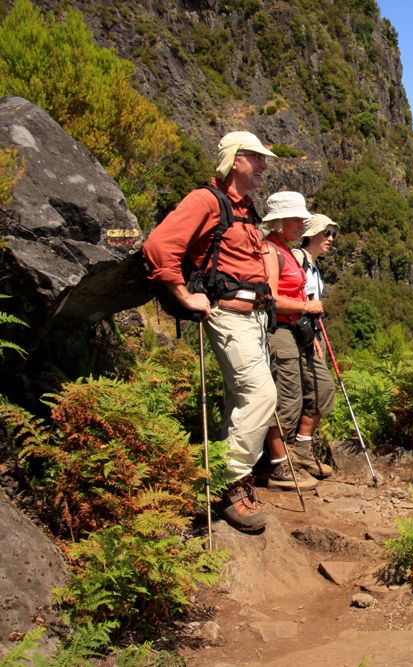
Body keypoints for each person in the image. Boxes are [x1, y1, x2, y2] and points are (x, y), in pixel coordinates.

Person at [143, 131, 277, 533]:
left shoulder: (245, 208)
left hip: (252, 319)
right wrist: (184, 295)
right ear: (234, 160)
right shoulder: (205, 200)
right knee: (261, 394)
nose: (264, 166)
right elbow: (159, 245)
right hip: (229, 317)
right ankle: (229, 483)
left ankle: (226, 472)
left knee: (241, 398)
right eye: (256, 158)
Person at [259, 193, 333, 490]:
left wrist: (311, 326)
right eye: (296, 218)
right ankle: (278, 465)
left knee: (320, 389)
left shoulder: (286, 250)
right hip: (280, 330)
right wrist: (307, 308)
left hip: (299, 330)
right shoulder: (270, 250)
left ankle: (299, 451)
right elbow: (270, 299)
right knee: (287, 397)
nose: (302, 223)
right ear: (278, 221)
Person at [287, 214, 340, 476]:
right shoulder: (297, 259)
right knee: (320, 389)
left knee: (314, 391)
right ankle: (296, 453)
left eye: (332, 234)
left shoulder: (313, 265)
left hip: (311, 332)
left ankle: (300, 451)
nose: (330, 239)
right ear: (311, 234)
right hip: (298, 332)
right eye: (325, 233)